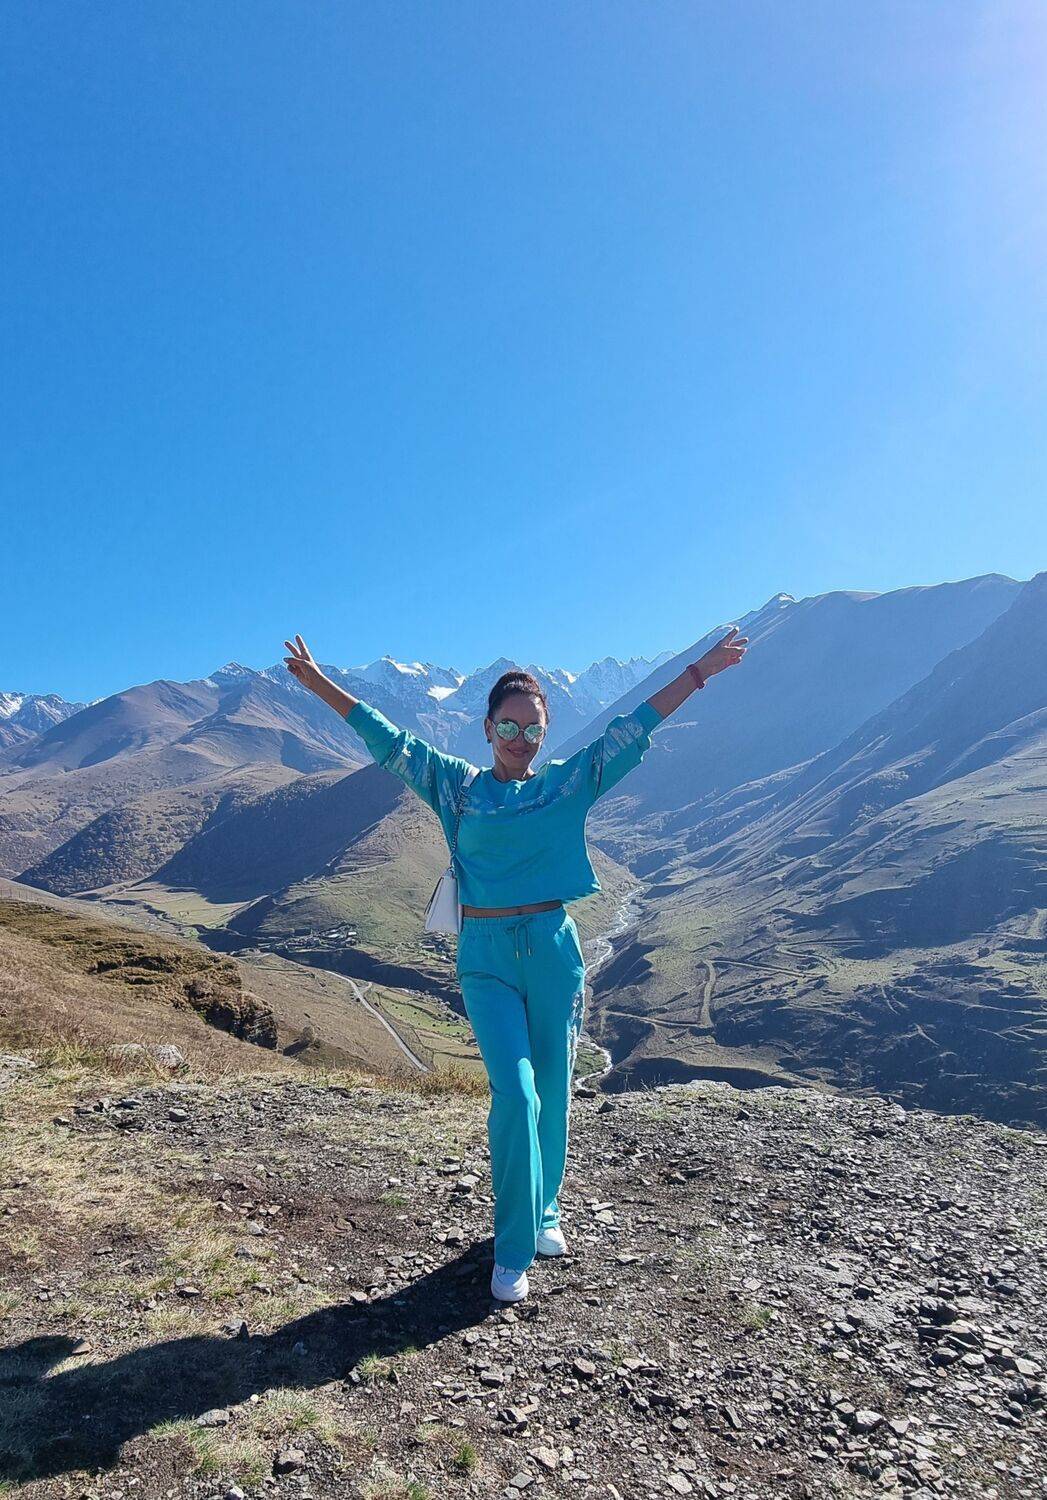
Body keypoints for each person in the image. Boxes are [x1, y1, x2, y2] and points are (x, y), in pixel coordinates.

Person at [283, 630, 747, 1302]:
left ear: (545, 732)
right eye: (508, 726)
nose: (519, 739)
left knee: (553, 1094)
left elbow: (634, 726)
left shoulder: (567, 784)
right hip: (485, 956)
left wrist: (699, 671)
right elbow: (389, 741)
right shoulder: (455, 787)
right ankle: (512, 1248)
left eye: (532, 729)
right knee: (517, 1094)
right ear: (487, 727)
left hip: (554, 952)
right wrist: (320, 685)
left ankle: (546, 1209)